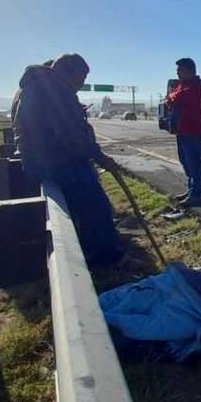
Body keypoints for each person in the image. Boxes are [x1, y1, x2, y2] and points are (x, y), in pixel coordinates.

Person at [13, 53, 123, 266]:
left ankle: (94, 249)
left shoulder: (38, 85)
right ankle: (106, 258)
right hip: (53, 160)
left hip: (40, 158)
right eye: (81, 78)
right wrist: (100, 158)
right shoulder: (55, 90)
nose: (81, 85)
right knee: (95, 202)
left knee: (84, 201)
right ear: (70, 72)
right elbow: (71, 134)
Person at [165, 57, 201, 208]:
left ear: (189, 70)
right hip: (181, 130)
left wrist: (171, 97)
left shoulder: (196, 85)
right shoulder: (182, 85)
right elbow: (171, 98)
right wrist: (171, 97)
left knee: (193, 162)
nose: (177, 73)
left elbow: (176, 98)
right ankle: (191, 189)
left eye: (180, 70)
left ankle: (196, 194)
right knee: (185, 162)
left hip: (192, 130)